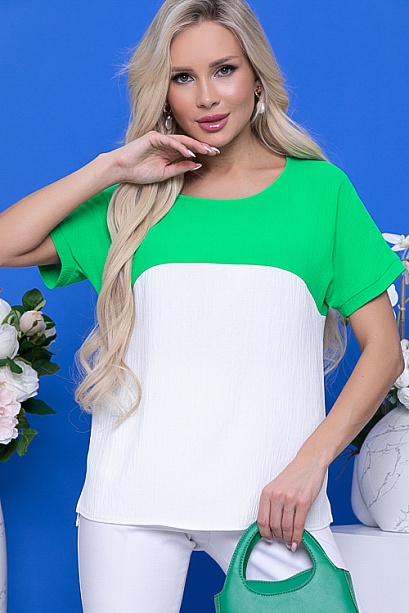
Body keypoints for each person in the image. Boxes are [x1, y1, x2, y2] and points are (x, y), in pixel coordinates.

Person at [0, 0, 405, 611]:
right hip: (131, 503)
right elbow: (8, 243)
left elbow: (384, 350)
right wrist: (111, 168)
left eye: (224, 70)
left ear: (256, 77)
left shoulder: (320, 192)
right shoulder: (134, 199)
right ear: (162, 91)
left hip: (275, 504)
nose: (207, 97)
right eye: (183, 77)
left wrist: (309, 465)